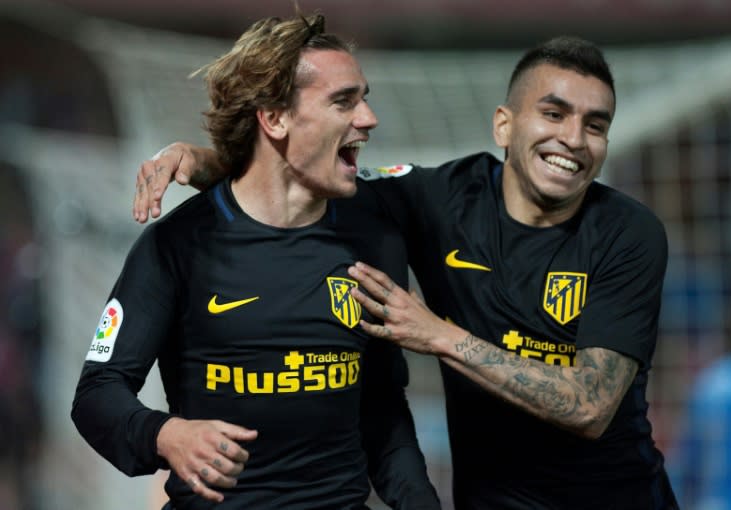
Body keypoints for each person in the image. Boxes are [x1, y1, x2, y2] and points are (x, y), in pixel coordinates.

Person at [133, 36, 678, 509]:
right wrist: (203, 161)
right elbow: (294, 169)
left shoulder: (628, 233)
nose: (574, 140)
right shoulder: (441, 198)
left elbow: (590, 407)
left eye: (596, 125)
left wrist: (439, 336)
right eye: (554, 114)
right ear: (504, 125)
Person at [72, 12, 440, 510]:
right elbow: (97, 394)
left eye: (364, 98)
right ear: (275, 117)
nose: (368, 118)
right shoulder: (178, 245)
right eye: (343, 101)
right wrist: (165, 434)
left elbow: (381, 407)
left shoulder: (375, 239)